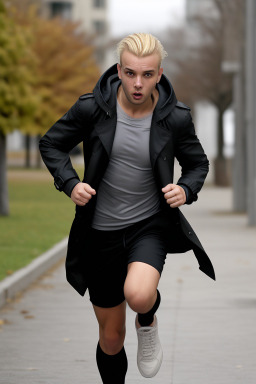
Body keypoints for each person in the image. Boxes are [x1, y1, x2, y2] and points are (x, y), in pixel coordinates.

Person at [39, 33, 215, 383]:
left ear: (159, 74)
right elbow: (51, 144)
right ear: (119, 70)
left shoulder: (174, 118)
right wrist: (71, 184)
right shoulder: (92, 108)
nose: (138, 83)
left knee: (138, 294)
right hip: (99, 233)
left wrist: (185, 189)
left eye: (148, 75)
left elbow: (198, 164)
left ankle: (148, 320)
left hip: (148, 227)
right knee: (111, 338)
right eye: (131, 73)